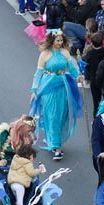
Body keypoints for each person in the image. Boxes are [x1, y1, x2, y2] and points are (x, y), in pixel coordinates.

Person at [32, 31, 83, 160]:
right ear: (52, 41)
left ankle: (52, 139)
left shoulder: (65, 53)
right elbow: (38, 74)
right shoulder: (44, 54)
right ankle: (57, 148)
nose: (60, 43)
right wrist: (34, 90)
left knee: (61, 115)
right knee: (52, 115)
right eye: (57, 40)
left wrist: (78, 76)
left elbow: (72, 69)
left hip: (63, 87)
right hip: (48, 87)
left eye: (61, 40)